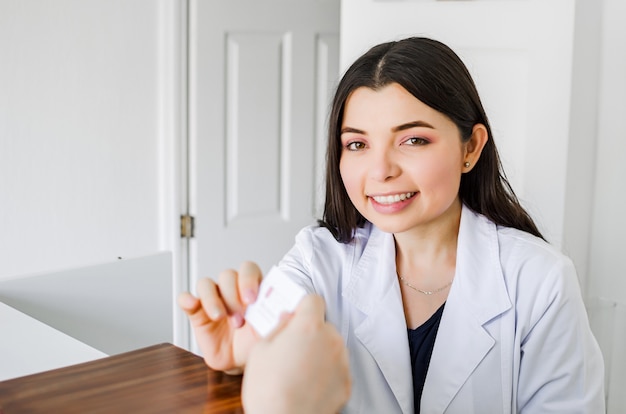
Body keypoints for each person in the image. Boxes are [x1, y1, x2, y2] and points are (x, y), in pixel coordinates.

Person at [179, 37, 605, 413]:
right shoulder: (318, 258)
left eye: (413, 140)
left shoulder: (541, 280)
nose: (380, 170)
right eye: (358, 144)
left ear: (470, 148)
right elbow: (264, 342)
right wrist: (238, 354)